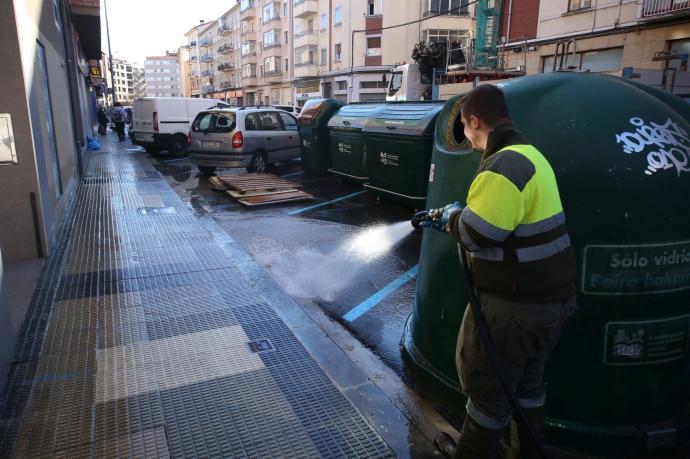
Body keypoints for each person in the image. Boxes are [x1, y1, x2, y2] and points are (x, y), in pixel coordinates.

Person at [420, 85, 577, 459]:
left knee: (488, 399)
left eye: (466, 128)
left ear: (475, 121)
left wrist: (453, 217)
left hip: (514, 311)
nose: (468, 138)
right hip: (552, 304)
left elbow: (478, 234)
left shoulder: (503, 164)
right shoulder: (532, 156)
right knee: (527, 387)